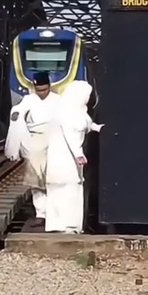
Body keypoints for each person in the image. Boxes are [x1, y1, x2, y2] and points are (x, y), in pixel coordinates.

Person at [45, 80, 104, 234]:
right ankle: (70, 225)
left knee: (57, 191)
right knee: (70, 190)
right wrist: (79, 153)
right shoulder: (71, 113)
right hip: (67, 159)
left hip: (57, 160)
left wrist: (96, 128)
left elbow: (85, 123)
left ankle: (56, 224)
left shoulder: (66, 107)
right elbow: (73, 132)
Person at [4, 71, 62, 227]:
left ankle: (55, 214)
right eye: (39, 90)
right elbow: (19, 109)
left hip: (55, 140)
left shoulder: (58, 100)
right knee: (36, 180)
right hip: (35, 142)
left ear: (49, 86)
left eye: (44, 90)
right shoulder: (28, 100)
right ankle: (41, 214)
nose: (42, 93)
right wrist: (16, 115)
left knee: (53, 179)